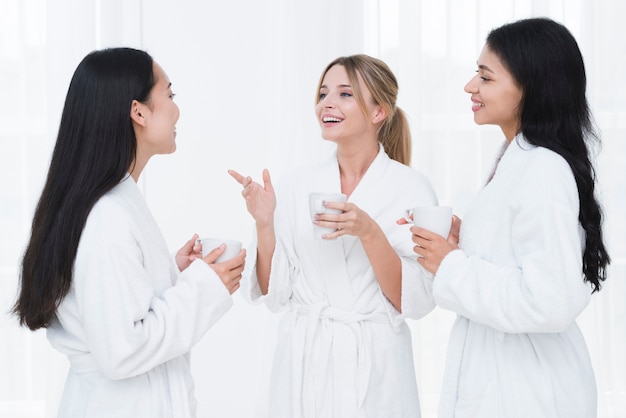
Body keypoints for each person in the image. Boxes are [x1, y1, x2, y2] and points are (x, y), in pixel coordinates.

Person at [12, 47, 246, 418]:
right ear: (138, 111)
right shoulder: (108, 215)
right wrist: (203, 285)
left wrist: (170, 274)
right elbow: (123, 349)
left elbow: (106, 307)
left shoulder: (111, 202)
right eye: (169, 95)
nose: (176, 109)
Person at [407, 18, 610, 417]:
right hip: (510, 381)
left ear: (528, 87)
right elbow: (519, 258)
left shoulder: (543, 169)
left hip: (527, 391)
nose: (470, 87)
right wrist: (464, 242)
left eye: (485, 77)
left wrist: (451, 265)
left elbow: (549, 301)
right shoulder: (519, 159)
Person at [229, 54, 438, 417]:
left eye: (344, 94)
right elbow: (273, 293)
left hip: (376, 365)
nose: (326, 103)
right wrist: (264, 223)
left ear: (378, 113)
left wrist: (369, 232)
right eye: (323, 93)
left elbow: (413, 300)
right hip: (304, 362)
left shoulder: (411, 189)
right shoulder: (296, 185)